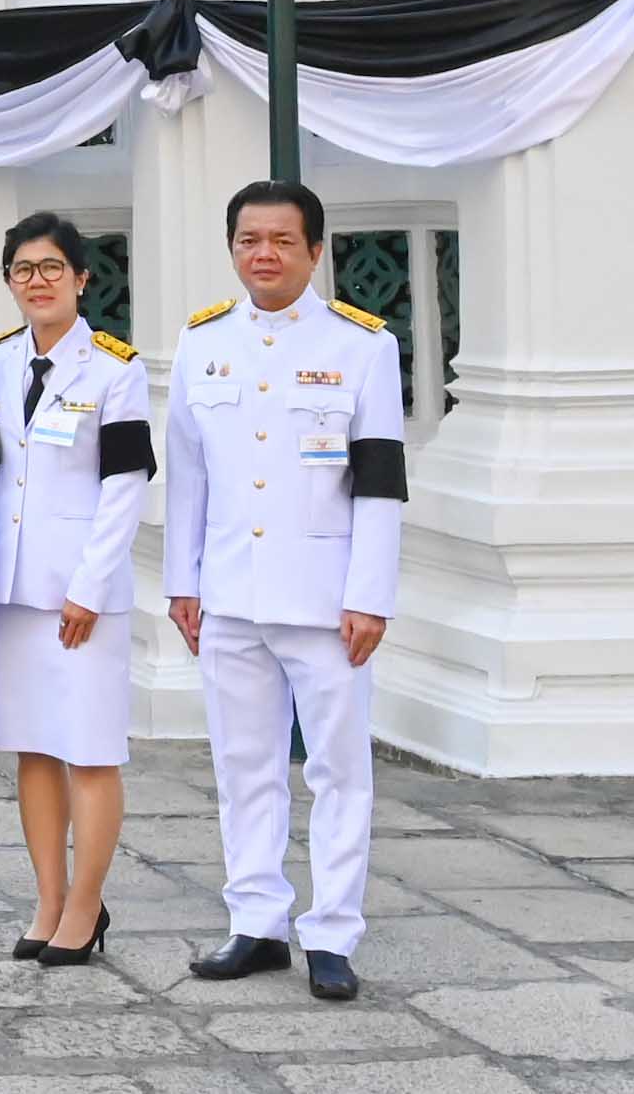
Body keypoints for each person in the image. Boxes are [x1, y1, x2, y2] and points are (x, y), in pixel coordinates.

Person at [165, 177, 405, 1001]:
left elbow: (379, 481)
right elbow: (188, 476)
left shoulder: (361, 346)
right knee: (243, 764)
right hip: (228, 592)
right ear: (232, 248)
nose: (261, 255)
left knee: (337, 768)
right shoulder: (202, 343)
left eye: (279, 241)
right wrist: (180, 581)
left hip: (325, 595)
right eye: (247, 241)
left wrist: (369, 593)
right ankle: (256, 922)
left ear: (313, 250)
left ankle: (332, 932)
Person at [0, 209, 149, 969]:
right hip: (13, 592)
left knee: (88, 752)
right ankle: (47, 897)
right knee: (34, 752)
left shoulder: (116, 369)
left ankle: (86, 903)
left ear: (81, 279)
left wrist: (87, 584)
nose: (38, 282)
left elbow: (125, 484)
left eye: (52, 268)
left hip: (82, 596)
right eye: (23, 270)